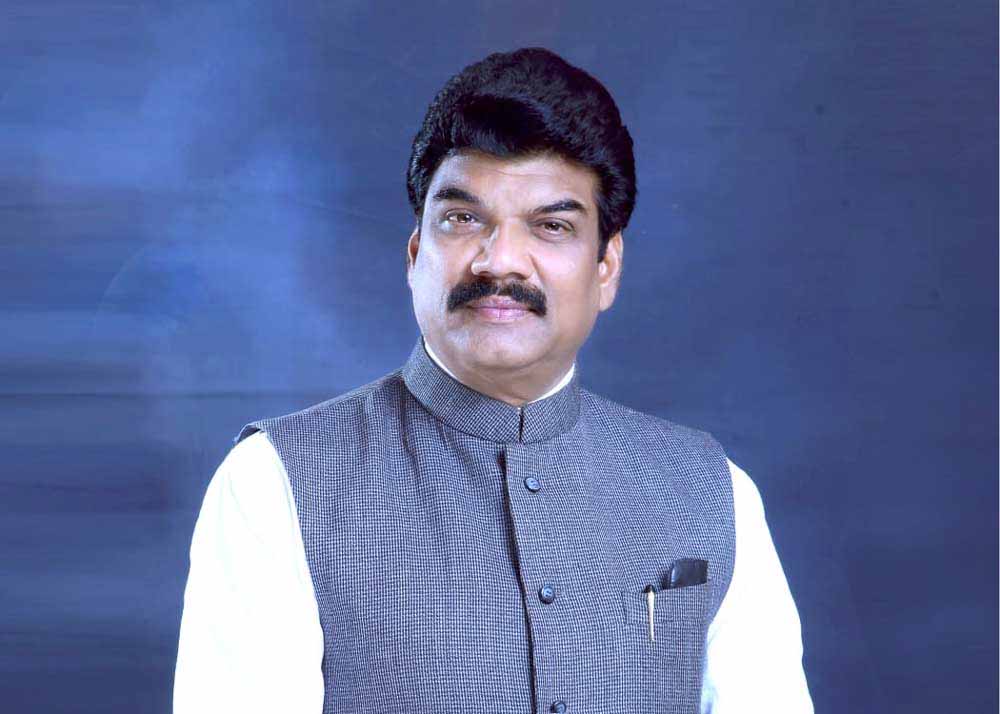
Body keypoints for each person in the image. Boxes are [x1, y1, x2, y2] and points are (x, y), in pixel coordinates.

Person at [173, 47, 813, 714]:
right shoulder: (274, 482)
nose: (501, 260)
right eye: (463, 219)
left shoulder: (713, 492)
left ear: (606, 268)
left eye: (552, 226)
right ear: (416, 253)